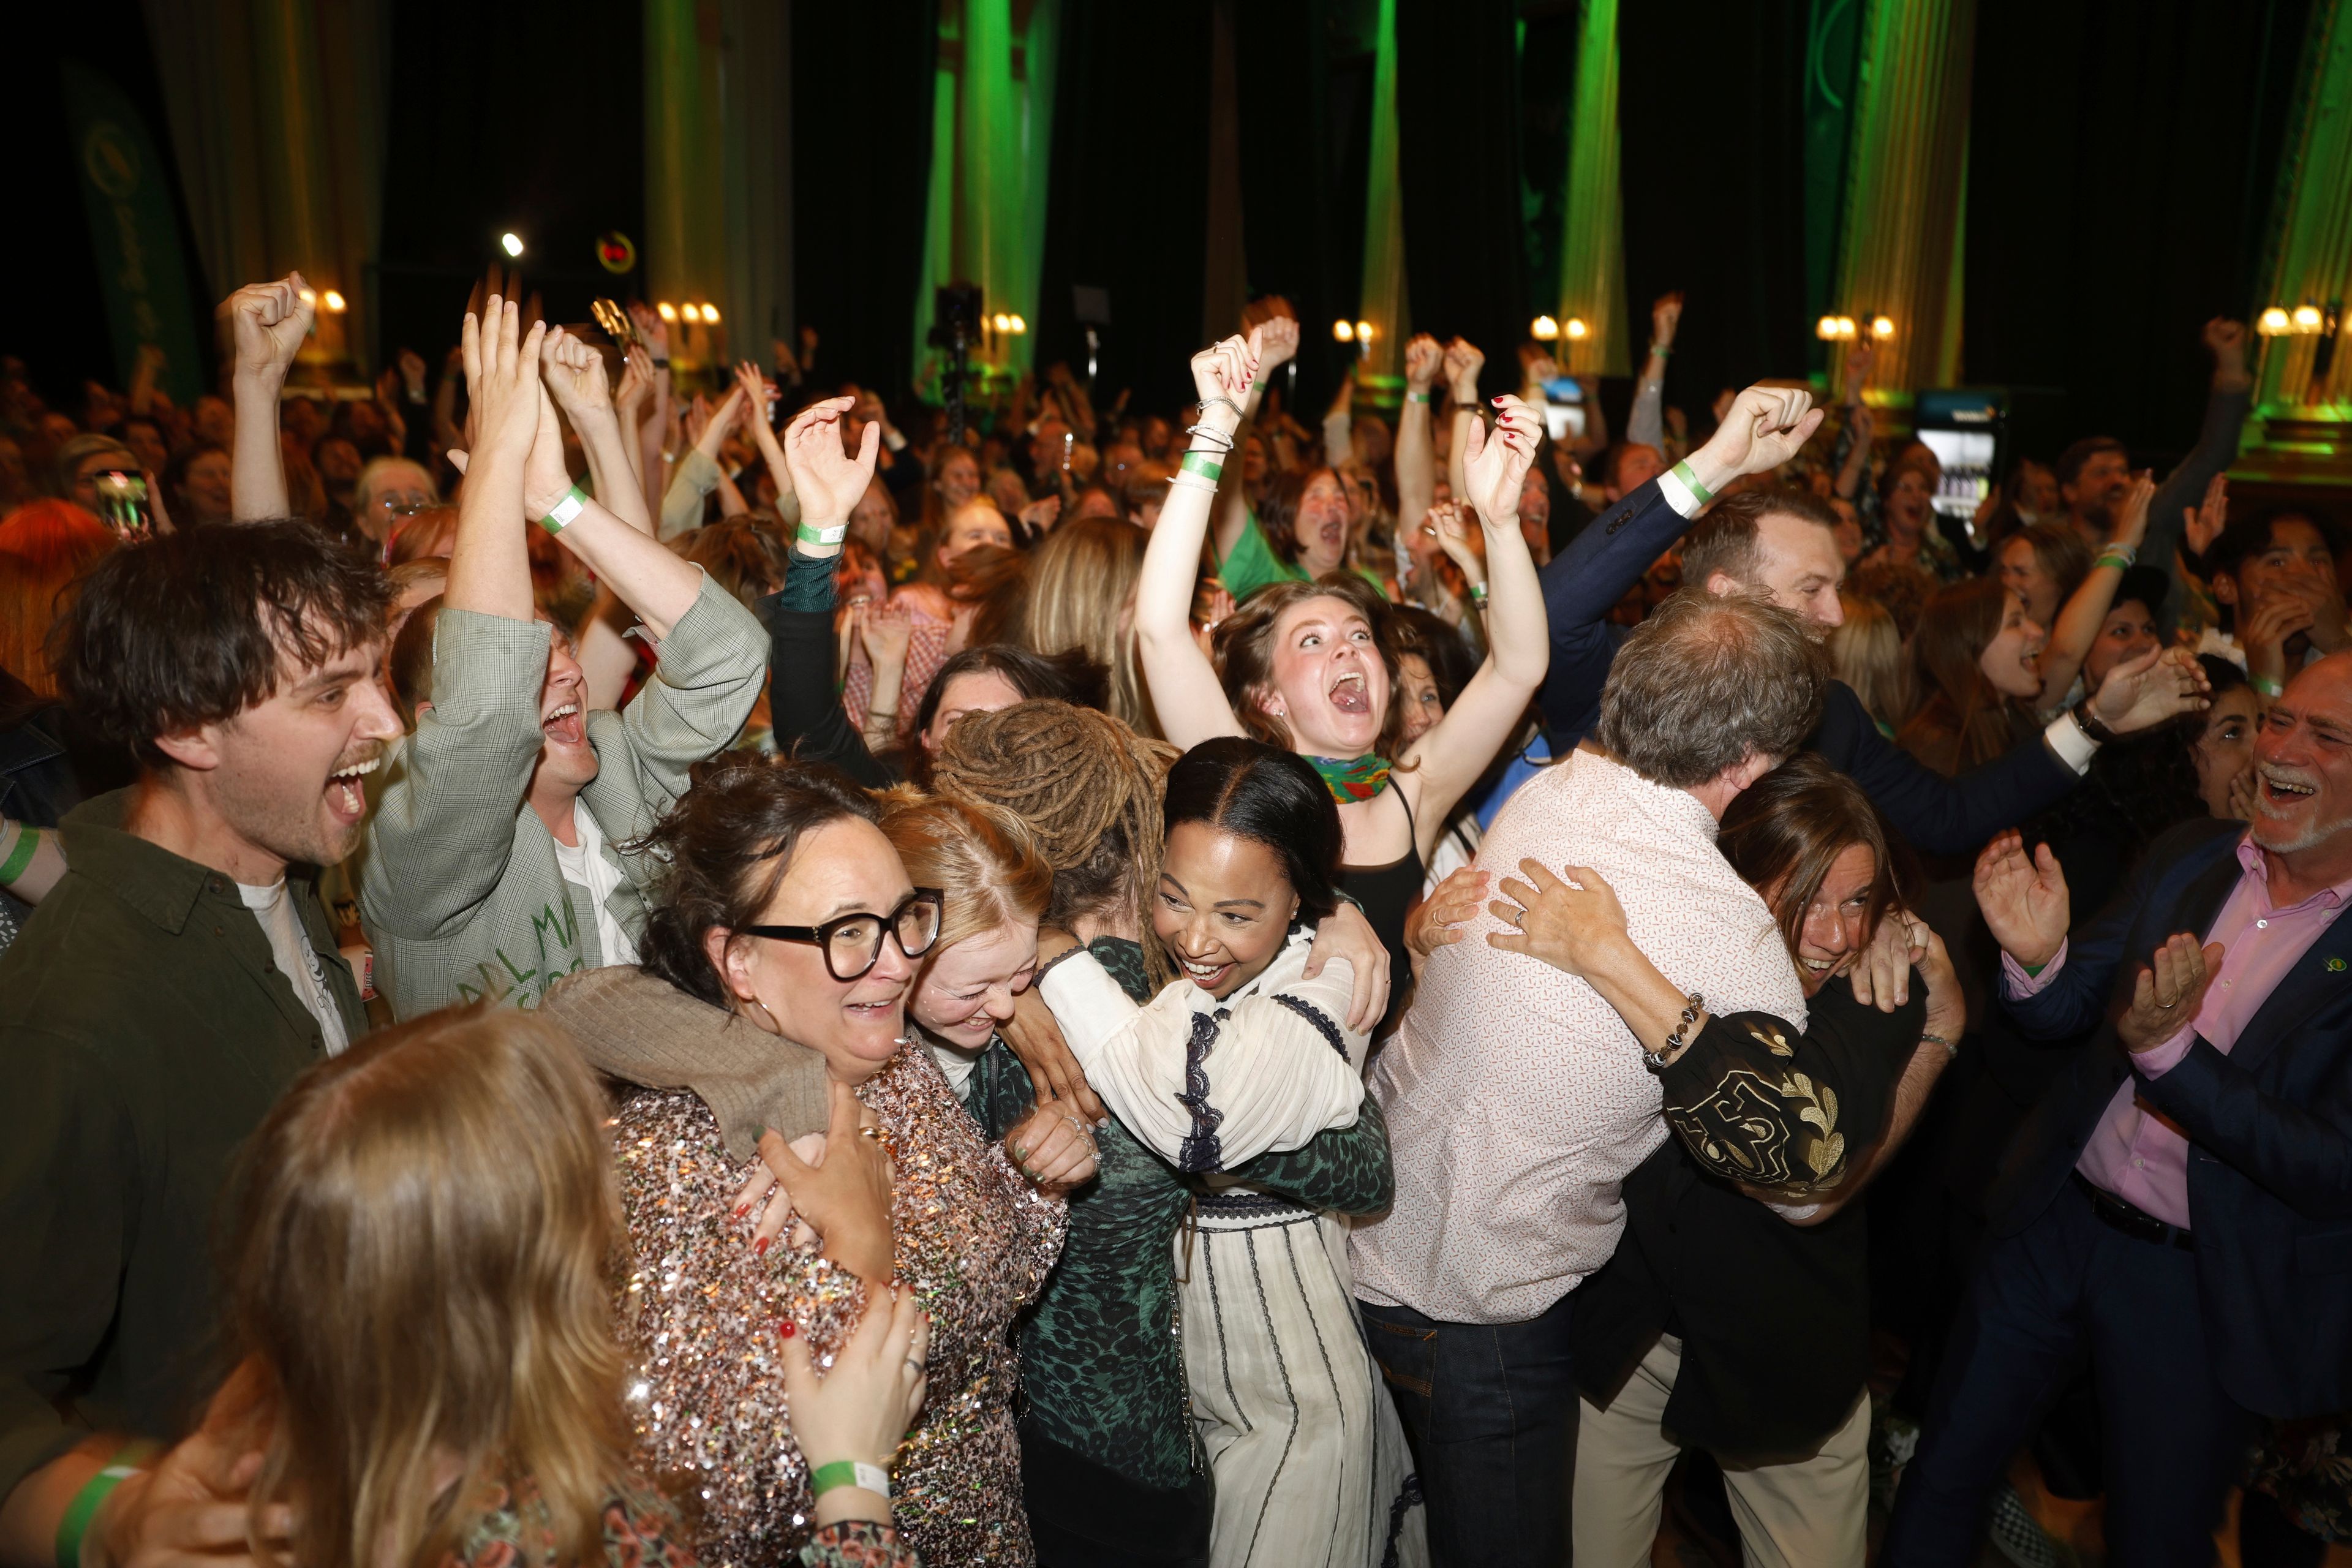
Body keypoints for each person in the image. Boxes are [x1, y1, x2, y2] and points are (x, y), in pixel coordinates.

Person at [1351, 589, 1888, 1567]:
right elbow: (1803, 1178)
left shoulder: (1555, 787)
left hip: (1365, 1242)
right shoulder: (1730, 932)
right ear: (1750, 763)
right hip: (1483, 1308)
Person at [1885, 650, 2352, 1566]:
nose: (2281, 747)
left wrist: (2173, 1056)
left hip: (2198, 1286)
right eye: (2277, 718)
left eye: (2325, 735)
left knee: (2156, 1540)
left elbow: (2332, 1167)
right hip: (2055, 1222)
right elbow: (2070, 1006)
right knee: (1944, 1475)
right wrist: (2035, 956)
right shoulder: (2193, 855)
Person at [0, 521, 394, 1563]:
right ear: (187, 728)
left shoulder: (282, 877)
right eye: (330, 695)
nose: (388, 721)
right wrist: (112, 1516)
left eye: (379, 679)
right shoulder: (74, 1018)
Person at [614, 753, 1076, 1566]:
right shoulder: (675, 1163)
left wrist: (1033, 1183)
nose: (900, 963)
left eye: (905, 921)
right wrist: (863, 1266)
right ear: (739, 960)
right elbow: (713, 1507)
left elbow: (989, 1286)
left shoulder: (897, 1068)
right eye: (848, 933)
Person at [1029, 737, 1419, 1568]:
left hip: (1296, 1404)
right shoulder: (1175, 973)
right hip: (1187, 1404)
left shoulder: (1329, 983)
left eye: (1237, 916)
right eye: (1174, 899)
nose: (1196, 939)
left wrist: (1055, 958)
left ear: (1302, 903)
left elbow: (1189, 1117)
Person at [1536, 386, 2209, 856]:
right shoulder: (1618, 676)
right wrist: (1719, 463)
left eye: (1838, 587)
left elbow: (1949, 818)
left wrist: (2095, 722)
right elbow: (1554, 610)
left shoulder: (1832, 714)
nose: (1833, 614)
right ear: (1726, 592)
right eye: (1811, 588)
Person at [358, 299, 767, 1016]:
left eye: (559, 645)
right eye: (518, 654)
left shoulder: (616, 765)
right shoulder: (409, 840)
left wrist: (557, 496)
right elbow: (488, 716)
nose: (569, 670)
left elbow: (726, 654)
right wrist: (496, 458)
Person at [1137, 330, 1547, 1007]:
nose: (1349, 650)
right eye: (1312, 641)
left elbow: (1520, 667)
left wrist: (1498, 523)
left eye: (1359, 635)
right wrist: (1214, 426)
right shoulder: (1244, 783)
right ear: (1267, 696)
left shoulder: (1412, 793)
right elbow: (1159, 630)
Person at [1896, 578, 2048, 777]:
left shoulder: (2012, 712)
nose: (2038, 631)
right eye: (2014, 623)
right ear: (1969, 649)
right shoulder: (1937, 750)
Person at [1016, 516, 1152, 733]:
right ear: (1101, 608)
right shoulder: (1041, 726)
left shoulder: (1140, 688)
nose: (1158, 618)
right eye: (1146, 601)